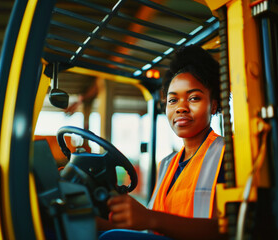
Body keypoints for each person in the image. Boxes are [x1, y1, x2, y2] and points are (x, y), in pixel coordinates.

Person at [97, 45, 227, 240]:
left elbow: (228, 230)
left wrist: (151, 218)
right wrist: (92, 220)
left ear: (214, 104)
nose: (181, 108)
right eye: (173, 100)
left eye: (193, 98)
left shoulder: (226, 153)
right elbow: (149, 228)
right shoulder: (167, 164)